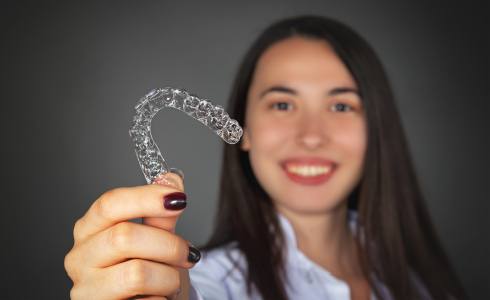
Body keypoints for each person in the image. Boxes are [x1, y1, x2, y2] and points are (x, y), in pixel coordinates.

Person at [64, 15, 467, 300]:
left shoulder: (424, 282)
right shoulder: (208, 283)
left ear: (377, 129)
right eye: (281, 105)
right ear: (243, 130)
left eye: (341, 107)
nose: (311, 136)